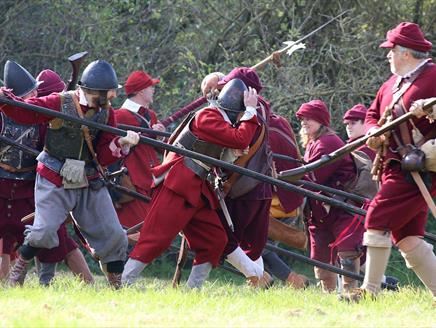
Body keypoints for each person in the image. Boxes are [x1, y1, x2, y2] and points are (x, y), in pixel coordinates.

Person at [0, 59, 140, 288]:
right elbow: (26, 112)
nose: (109, 98)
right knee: (43, 231)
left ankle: (115, 281)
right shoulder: (59, 102)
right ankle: (20, 267)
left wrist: (121, 143)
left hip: (89, 179)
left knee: (115, 234)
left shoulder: (107, 114)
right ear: (90, 90)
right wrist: (6, 99)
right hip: (55, 177)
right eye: (105, 94)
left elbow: (103, 155)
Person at [122, 78, 260, 288]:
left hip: (197, 187)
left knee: (214, 240)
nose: (242, 119)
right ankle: (125, 283)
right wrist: (251, 111)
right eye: (241, 114)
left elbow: (218, 153)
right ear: (236, 110)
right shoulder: (208, 115)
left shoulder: (217, 118)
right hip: (178, 183)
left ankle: (193, 291)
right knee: (156, 238)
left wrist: (232, 152)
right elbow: (241, 138)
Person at [343, 22, 436, 302]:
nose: (388, 56)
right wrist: (372, 131)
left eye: (391, 51)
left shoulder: (433, 76)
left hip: (419, 167)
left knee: (376, 218)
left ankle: (369, 293)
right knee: (408, 238)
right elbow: (372, 114)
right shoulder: (391, 84)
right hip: (394, 166)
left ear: (405, 53)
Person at [201, 67, 273, 288]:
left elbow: (237, 144)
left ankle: (258, 278)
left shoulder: (248, 115)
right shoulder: (260, 111)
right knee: (252, 244)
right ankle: (259, 283)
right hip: (260, 188)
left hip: (242, 188)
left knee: (220, 236)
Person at [297, 99, 364, 293]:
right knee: (321, 256)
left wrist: (288, 174)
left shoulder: (328, 142)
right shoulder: (313, 143)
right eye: (302, 119)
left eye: (309, 118)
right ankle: (329, 295)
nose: (304, 122)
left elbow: (314, 176)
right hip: (321, 210)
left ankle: (351, 293)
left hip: (341, 208)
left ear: (321, 120)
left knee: (347, 249)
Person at [262, 113, 309, 288]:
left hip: (280, 201)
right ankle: (263, 279)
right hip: (287, 197)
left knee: (256, 244)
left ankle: (292, 280)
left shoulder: (266, 130)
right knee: (262, 248)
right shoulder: (278, 121)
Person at [112, 70, 164, 228]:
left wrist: (160, 136)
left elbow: (161, 148)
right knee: (138, 237)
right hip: (131, 186)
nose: (153, 90)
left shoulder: (150, 115)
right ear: (141, 90)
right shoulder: (118, 116)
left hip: (152, 183)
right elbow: (110, 148)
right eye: (151, 87)